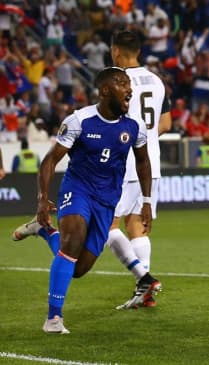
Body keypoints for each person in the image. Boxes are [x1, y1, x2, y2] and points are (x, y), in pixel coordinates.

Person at [11, 67, 152, 334]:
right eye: (123, 83)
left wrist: (146, 199)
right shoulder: (80, 120)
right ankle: (53, 319)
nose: (130, 89)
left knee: (79, 268)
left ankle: (44, 231)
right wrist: (43, 199)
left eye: (129, 84)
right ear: (106, 90)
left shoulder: (135, 125)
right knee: (72, 243)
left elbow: (143, 162)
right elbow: (51, 160)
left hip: (107, 200)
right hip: (78, 190)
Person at [104, 30, 172, 309]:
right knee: (138, 227)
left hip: (123, 162)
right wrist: (146, 137)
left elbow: (107, 121)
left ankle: (144, 278)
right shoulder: (157, 81)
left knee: (106, 225)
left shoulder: (115, 80)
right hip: (150, 163)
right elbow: (166, 125)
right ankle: (144, 294)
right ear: (139, 51)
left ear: (116, 51)